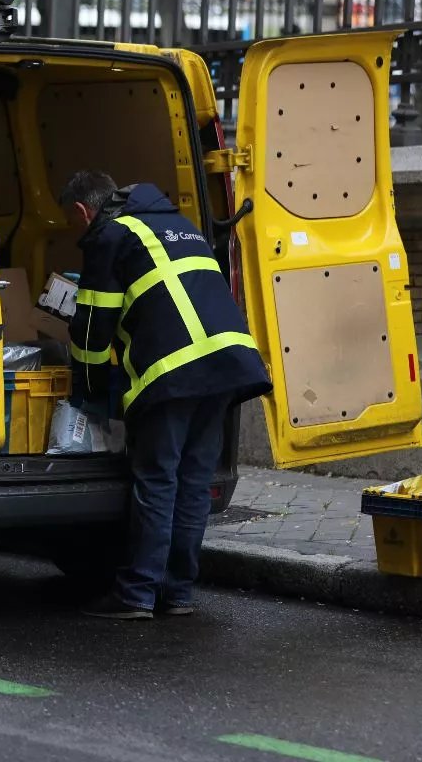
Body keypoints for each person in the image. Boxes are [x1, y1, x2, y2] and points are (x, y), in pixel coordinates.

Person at [59, 170, 272, 620]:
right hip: (225, 364)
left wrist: (91, 393)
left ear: (82, 212)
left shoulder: (110, 235)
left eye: (75, 223)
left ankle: (136, 593)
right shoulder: (180, 225)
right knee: (192, 483)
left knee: (157, 480)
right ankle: (178, 593)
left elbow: (94, 328)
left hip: (172, 374)